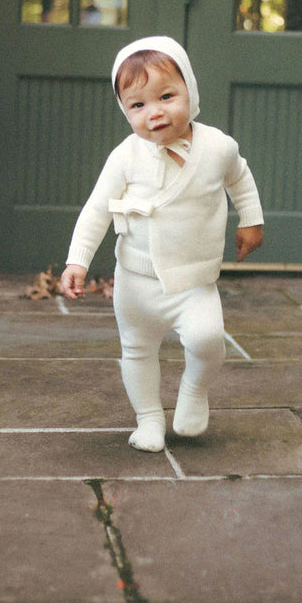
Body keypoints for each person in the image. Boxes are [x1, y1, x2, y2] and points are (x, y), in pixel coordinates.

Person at [60, 36, 264, 452]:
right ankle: (149, 419)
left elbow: (239, 178)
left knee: (208, 341)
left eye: (167, 96)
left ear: (190, 89)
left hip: (193, 281)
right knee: (137, 351)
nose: (154, 113)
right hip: (136, 281)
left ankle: (193, 389)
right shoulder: (125, 157)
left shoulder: (217, 147)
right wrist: (77, 261)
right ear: (126, 111)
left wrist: (251, 221)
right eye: (138, 105)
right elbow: (97, 209)